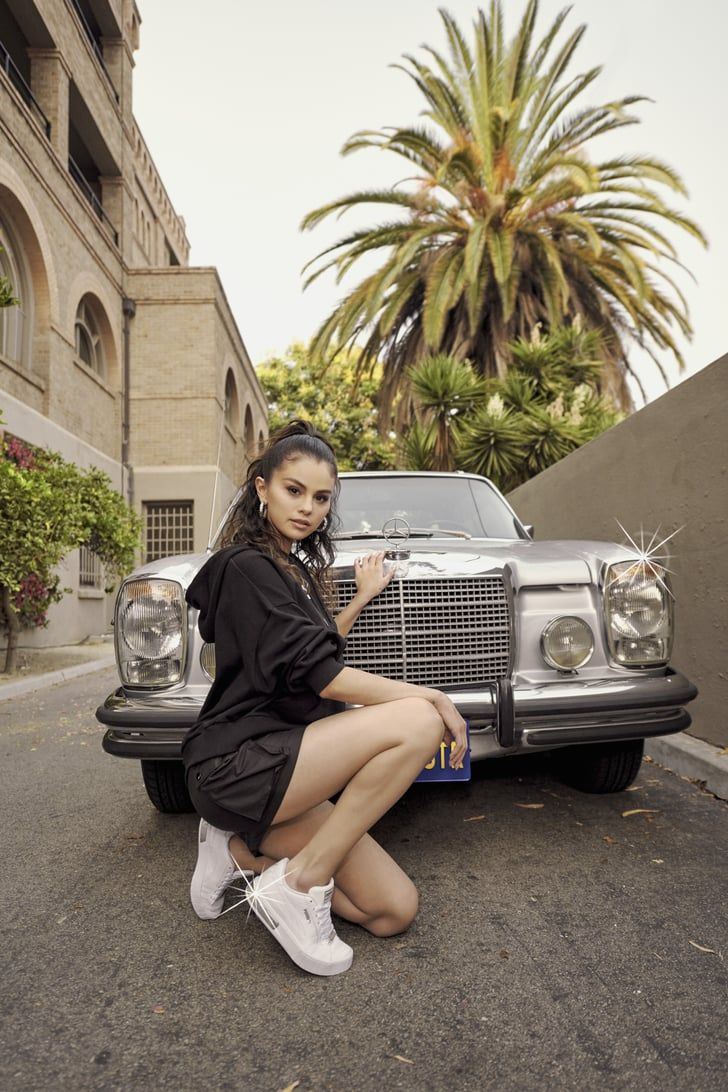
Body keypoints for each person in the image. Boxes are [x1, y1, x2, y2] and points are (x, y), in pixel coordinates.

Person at [183, 419, 467, 976]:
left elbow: (312, 648)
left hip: (289, 767)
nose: (307, 508)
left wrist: (360, 598)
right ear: (262, 488)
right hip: (236, 764)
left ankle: (238, 855)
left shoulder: (291, 571)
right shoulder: (245, 567)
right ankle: (300, 884)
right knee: (417, 720)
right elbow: (324, 676)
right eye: (294, 490)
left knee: (393, 910)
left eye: (320, 498)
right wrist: (431, 694)